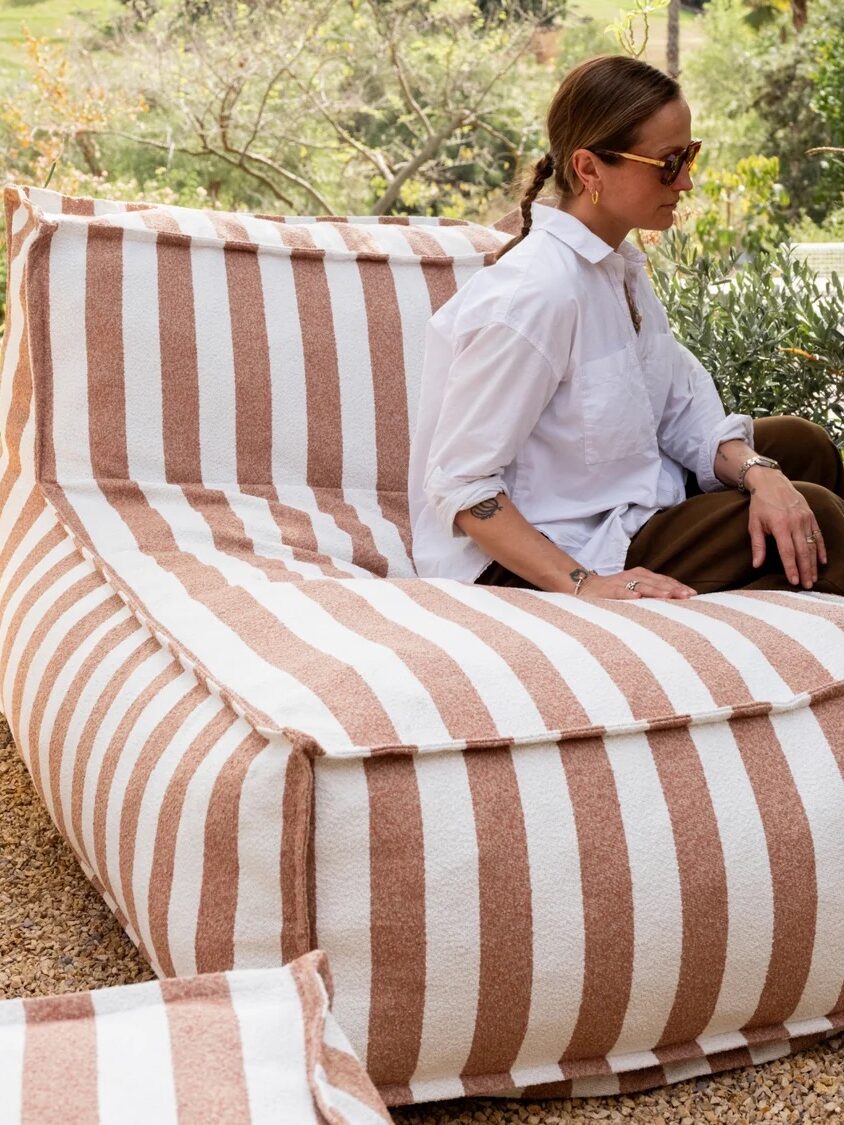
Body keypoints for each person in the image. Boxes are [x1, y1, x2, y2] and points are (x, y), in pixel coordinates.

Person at [407, 54, 844, 601]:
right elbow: (463, 486)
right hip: (549, 552)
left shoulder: (618, 270)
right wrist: (586, 584)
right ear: (590, 170)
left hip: (625, 499)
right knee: (821, 516)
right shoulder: (535, 297)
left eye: (689, 155)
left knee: (803, 448)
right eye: (667, 163)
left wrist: (762, 475)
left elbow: (679, 411)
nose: (686, 181)